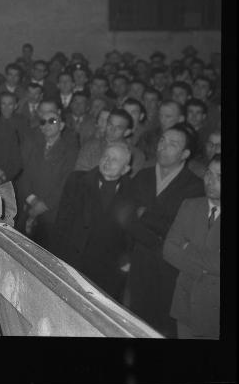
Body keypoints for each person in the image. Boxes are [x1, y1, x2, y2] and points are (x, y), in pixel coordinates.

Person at [124, 123, 203, 337]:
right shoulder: (143, 176)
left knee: (162, 328)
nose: (163, 147)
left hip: (169, 270)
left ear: (185, 154)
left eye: (172, 144)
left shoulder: (194, 186)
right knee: (134, 322)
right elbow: (127, 218)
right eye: (162, 140)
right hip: (138, 262)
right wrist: (157, 232)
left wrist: (146, 215)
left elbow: (180, 231)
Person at [51, 142, 135, 301]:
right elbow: (61, 224)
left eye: (114, 159)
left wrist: (126, 263)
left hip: (107, 272)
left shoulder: (133, 191)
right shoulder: (77, 181)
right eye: (105, 156)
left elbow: (130, 236)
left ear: (125, 169)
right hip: (72, 263)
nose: (107, 162)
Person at [163, 154, 220, 339]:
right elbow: (169, 250)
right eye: (208, 174)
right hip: (186, 304)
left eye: (219, 176)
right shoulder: (190, 205)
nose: (210, 181)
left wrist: (188, 248)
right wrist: (206, 267)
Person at [16, 100, 78, 248]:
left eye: (53, 121)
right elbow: (24, 176)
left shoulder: (70, 151)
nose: (47, 125)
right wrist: (32, 201)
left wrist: (44, 205)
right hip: (29, 207)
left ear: (61, 126)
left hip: (52, 213)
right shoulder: (34, 148)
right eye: (43, 122)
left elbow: (66, 183)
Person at [75, 108, 145, 176]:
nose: (112, 130)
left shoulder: (136, 155)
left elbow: (130, 183)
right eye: (110, 125)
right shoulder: (90, 146)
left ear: (127, 132)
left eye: (118, 128)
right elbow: (79, 174)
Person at [137, 99, 185, 164]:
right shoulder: (147, 137)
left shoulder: (187, 140)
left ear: (180, 119)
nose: (162, 120)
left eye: (168, 116)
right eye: (160, 115)